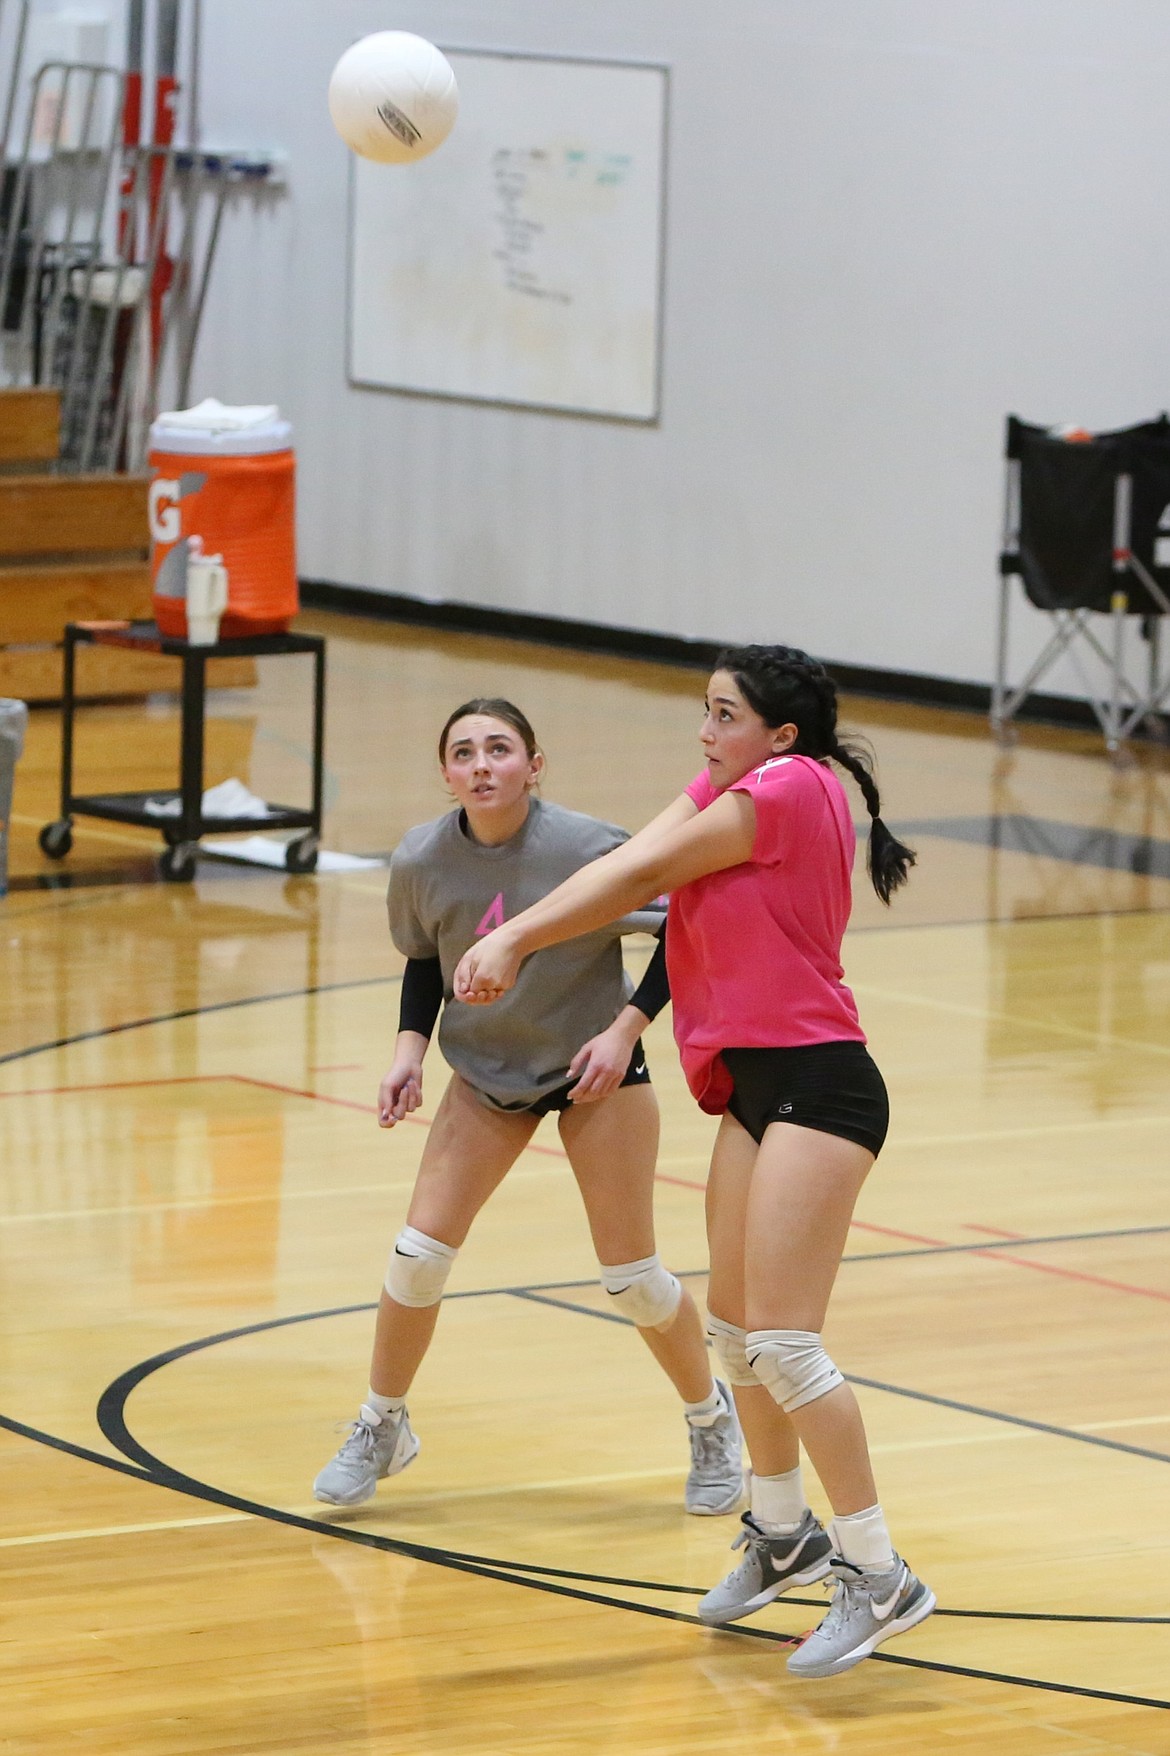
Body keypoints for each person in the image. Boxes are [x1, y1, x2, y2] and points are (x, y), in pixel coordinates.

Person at [453, 648, 936, 1680]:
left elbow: (633, 875)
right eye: (704, 711)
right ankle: (782, 1531)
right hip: (757, 1092)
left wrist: (517, 940)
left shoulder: (788, 791)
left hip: (823, 1084)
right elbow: (643, 867)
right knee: (734, 1333)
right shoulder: (737, 787)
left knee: (789, 1344)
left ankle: (879, 1572)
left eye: (724, 715)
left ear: (781, 736)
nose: (704, 732)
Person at [313, 697, 744, 1517]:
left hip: (594, 1073)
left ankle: (710, 1419)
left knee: (634, 1279)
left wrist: (624, 1032)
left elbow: (681, 934)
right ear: (445, 774)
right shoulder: (421, 859)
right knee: (416, 1256)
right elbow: (422, 959)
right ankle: (382, 1423)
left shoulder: (588, 847)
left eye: (500, 749)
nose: (482, 765)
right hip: (484, 1075)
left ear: (534, 765)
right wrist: (409, 1051)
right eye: (464, 753)